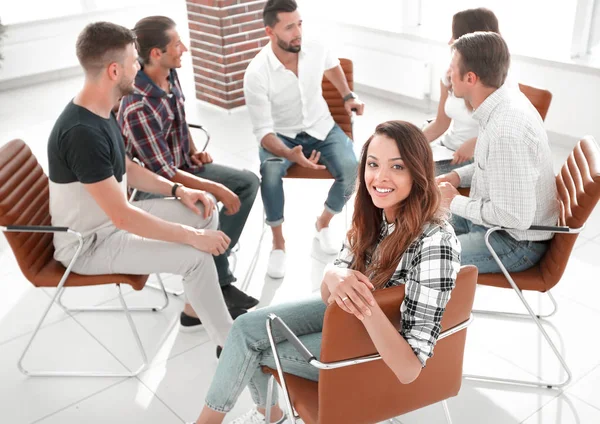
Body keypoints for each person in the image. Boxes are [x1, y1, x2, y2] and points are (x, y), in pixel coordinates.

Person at [187, 120, 461, 424]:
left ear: (418, 172)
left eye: (397, 167)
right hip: (349, 316)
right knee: (245, 329)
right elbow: (329, 294)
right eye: (373, 164)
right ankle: (272, 415)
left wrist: (363, 304)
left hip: (378, 351)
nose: (380, 177)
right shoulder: (373, 214)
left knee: (253, 349)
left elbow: (410, 369)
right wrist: (332, 275)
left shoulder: (437, 243)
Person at [47, 21, 233, 353]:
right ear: (114, 70)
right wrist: (192, 238)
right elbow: (123, 218)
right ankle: (234, 346)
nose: (139, 68)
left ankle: (197, 308)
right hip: (89, 244)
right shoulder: (81, 133)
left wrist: (180, 191)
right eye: (135, 61)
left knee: (204, 208)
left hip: (110, 223)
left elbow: (127, 169)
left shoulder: (99, 108)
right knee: (196, 257)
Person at [118, 16, 260, 332]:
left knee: (247, 183)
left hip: (182, 164)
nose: (185, 49)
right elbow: (163, 172)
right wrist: (215, 188)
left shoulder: (170, 73)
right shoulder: (136, 104)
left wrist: (194, 149)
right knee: (209, 200)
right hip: (155, 184)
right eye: (177, 44)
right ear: (156, 53)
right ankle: (213, 285)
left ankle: (213, 265)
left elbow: (179, 120)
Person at [243, 0, 365, 278]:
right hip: (281, 136)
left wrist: (347, 96)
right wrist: (290, 155)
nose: (298, 32)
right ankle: (278, 242)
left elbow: (332, 66)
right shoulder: (256, 74)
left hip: (322, 128)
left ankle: (323, 222)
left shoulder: (315, 47)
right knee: (270, 173)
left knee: (352, 170)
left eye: (299, 23)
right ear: (269, 32)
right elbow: (263, 133)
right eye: (289, 27)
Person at [437, 31, 559, 274]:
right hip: (493, 221)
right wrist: (458, 177)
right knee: (415, 225)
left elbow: (513, 217)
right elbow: (494, 165)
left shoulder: (506, 130)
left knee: (423, 257)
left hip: (513, 242)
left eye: (452, 68)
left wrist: (455, 201)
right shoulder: (503, 102)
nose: (449, 75)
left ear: (470, 77)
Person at [423, 8, 501, 176]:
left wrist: (476, 143)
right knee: (401, 154)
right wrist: (410, 143)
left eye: (455, 35)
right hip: (447, 148)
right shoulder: (450, 74)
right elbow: (440, 124)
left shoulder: (499, 85)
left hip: (472, 159)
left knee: (411, 176)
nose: (450, 41)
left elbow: (503, 135)